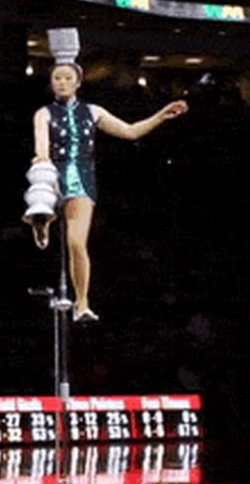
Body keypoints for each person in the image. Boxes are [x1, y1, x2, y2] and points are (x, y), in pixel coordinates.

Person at [26, 62, 188, 323]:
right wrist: (43, 160)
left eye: (67, 78)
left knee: (76, 243)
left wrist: (161, 115)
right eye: (57, 78)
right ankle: (42, 220)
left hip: (81, 181)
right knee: (41, 185)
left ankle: (83, 303)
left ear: (78, 83)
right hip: (53, 176)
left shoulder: (93, 111)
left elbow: (130, 131)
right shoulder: (43, 114)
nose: (62, 82)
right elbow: (41, 144)